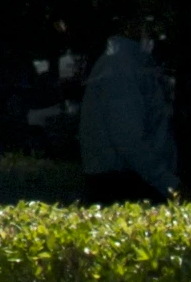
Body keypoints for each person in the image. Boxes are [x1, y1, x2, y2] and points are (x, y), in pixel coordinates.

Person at [76, 29, 178, 201]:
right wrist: (167, 182)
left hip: (130, 178)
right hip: (126, 181)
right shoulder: (122, 66)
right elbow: (128, 136)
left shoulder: (126, 63)